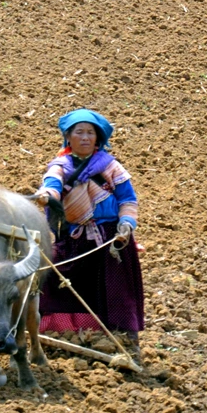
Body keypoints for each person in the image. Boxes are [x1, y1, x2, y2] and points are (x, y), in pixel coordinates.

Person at [36, 108, 145, 353]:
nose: (85, 137)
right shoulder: (60, 166)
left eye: (90, 133)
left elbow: (128, 199)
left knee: (116, 290)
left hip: (112, 239)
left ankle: (125, 341)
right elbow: (51, 185)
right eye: (79, 132)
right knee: (53, 279)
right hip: (75, 238)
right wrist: (47, 195)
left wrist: (126, 224)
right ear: (68, 137)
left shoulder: (111, 167)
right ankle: (60, 333)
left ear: (98, 138)